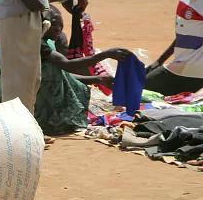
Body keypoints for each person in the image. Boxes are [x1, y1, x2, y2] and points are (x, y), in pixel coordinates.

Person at [35, 8, 132, 136]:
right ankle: (49, 121)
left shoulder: (49, 42)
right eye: (56, 28)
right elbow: (67, 65)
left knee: (80, 87)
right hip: (39, 94)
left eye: (61, 27)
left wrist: (98, 79)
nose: (59, 31)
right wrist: (106, 54)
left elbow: (64, 76)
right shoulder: (39, 45)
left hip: (48, 87)